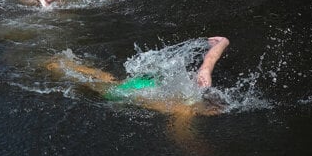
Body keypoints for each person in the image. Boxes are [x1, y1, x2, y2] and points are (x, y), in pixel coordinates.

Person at [46, 37, 231, 117]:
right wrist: (197, 149)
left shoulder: (202, 82)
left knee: (105, 79)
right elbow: (180, 133)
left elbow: (210, 59)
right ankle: (58, 66)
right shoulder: (185, 110)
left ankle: (63, 62)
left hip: (148, 81)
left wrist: (223, 42)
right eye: (213, 113)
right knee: (100, 86)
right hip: (127, 93)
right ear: (207, 108)